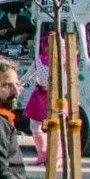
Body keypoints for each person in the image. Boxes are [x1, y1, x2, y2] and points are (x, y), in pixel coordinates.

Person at [23, 35, 53, 167]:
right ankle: (42, 154)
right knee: (35, 126)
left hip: (54, 96)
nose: (46, 48)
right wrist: (17, 85)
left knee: (55, 126)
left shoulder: (62, 61)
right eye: (45, 45)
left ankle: (55, 156)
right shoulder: (39, 60)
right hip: (39, 95)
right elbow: (27, 76)